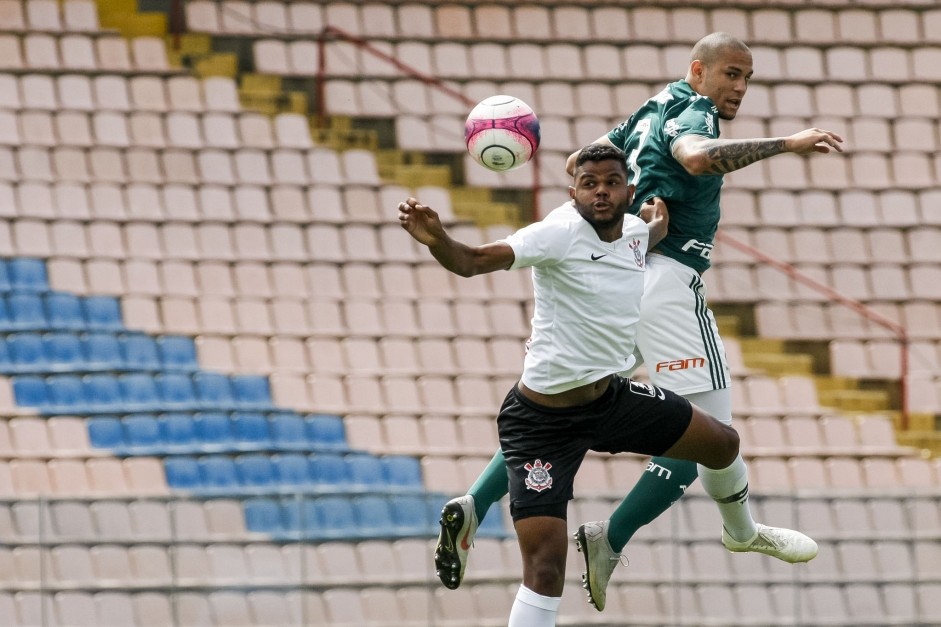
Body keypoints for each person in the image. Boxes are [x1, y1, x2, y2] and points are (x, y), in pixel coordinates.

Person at [435, 32, 843, 611]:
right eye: (731, 74)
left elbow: (583, 159)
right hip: (669, 283)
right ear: (699, 71)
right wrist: (788, 142)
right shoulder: (694, 112)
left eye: (746, 78)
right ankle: (707, 534)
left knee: (570, 396)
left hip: (624, 273)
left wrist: (622, 206)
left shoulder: (653, 105)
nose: (740, 88)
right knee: (713, 436)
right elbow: (697, 157)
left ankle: (473, 503)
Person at [400, 144, 749, 627]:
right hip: (542, 422)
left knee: (722, 443)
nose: (600, 192)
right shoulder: (557, 234)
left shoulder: (632, 231)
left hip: (610, 400)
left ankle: (742, 533)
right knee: (545, 569)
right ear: (573, 192)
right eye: (589, 184)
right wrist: (438, 239)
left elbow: (637, 241)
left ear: (628, 190)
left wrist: (657, 227)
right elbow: (473, 260)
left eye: (610, 182)